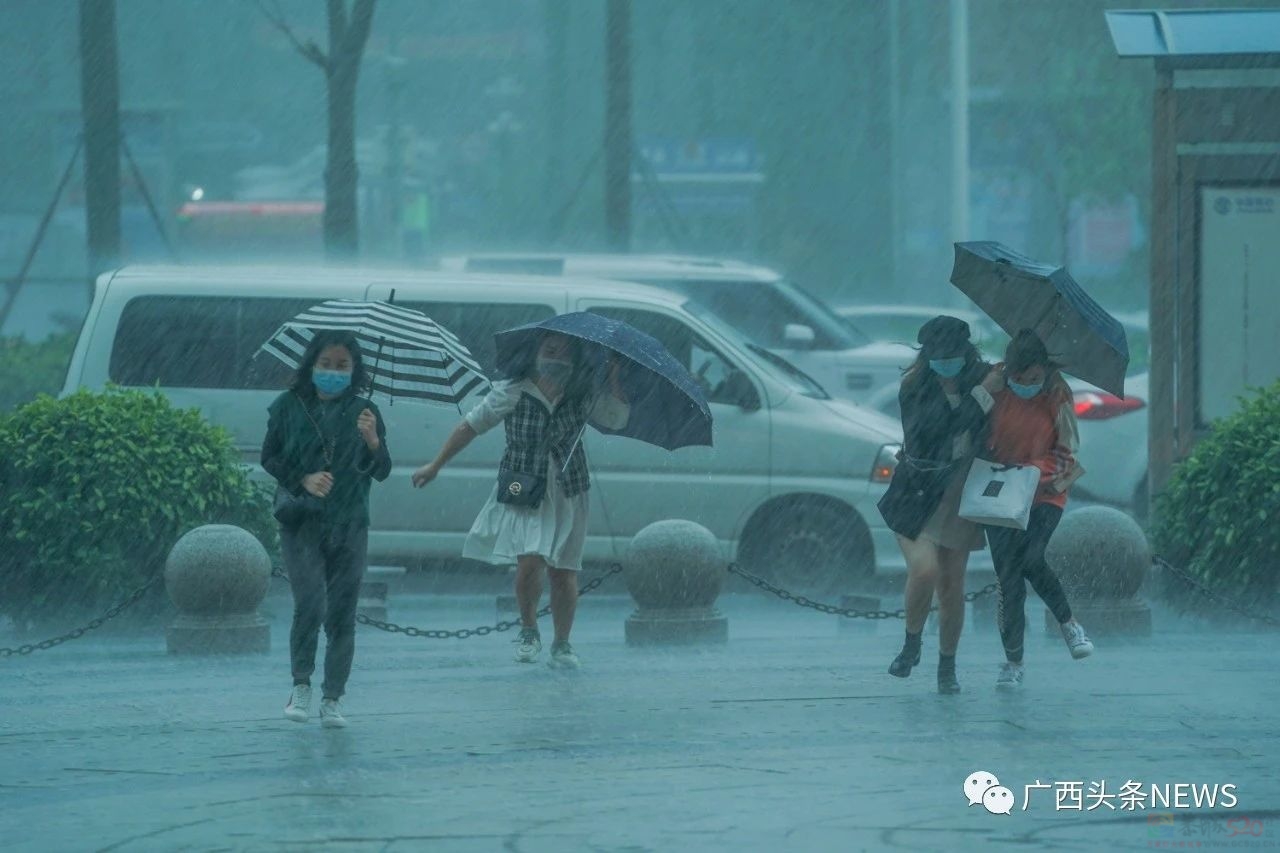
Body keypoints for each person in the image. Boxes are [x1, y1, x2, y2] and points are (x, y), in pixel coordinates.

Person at [412, 332, 629, 670]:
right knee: (530, 560)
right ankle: (529, 630)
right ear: (536, 352)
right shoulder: (513, 390)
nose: (556, 357)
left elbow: (616, 419)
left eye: (564, 352)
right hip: (525, 487)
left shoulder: (583, 392)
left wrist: (613, 375)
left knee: (564, 570)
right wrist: (436, 464)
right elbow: (470, 426)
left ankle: (562, 642)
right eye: (550, 348)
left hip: (570, 487)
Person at [261, 331, 391, 728]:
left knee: (342, 613)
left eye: (342, 367)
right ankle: (301, 685)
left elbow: (383, 470)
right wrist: (304, 478)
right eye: (326, 365)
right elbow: (270, 457)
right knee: (311, 602)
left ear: (354, 371)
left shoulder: (365, 411)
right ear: (311, 366)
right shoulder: (286, 407)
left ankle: (333, 696)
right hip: (303, 522)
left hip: (351, 523)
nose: (333, 373)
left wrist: (372, 441)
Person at [878, 315, 1002, 694]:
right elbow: (941, 430)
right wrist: (984, 395)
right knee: (925, 569)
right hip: (916, 493)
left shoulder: (984, 376)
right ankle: (911, 642)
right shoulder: (914, 387)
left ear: (966, 352)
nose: (945, 362)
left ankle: (947, 667)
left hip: (960, 492)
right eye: (937, 355)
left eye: (952, 354)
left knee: (952, 587)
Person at [984, 329, 1094, 691]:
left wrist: (1037, 472)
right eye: (1018, 379)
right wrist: (988, 386)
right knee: (1008, 581)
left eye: (1033, 379)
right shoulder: (995, 388)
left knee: (1032, 559)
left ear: (1044, 372)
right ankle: (1013, 661)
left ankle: (1068, 622)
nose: (1025, 385)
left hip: (1045, 492)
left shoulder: (1057, 395)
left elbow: (1068, 451)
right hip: (999, 493)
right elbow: (970, 425)